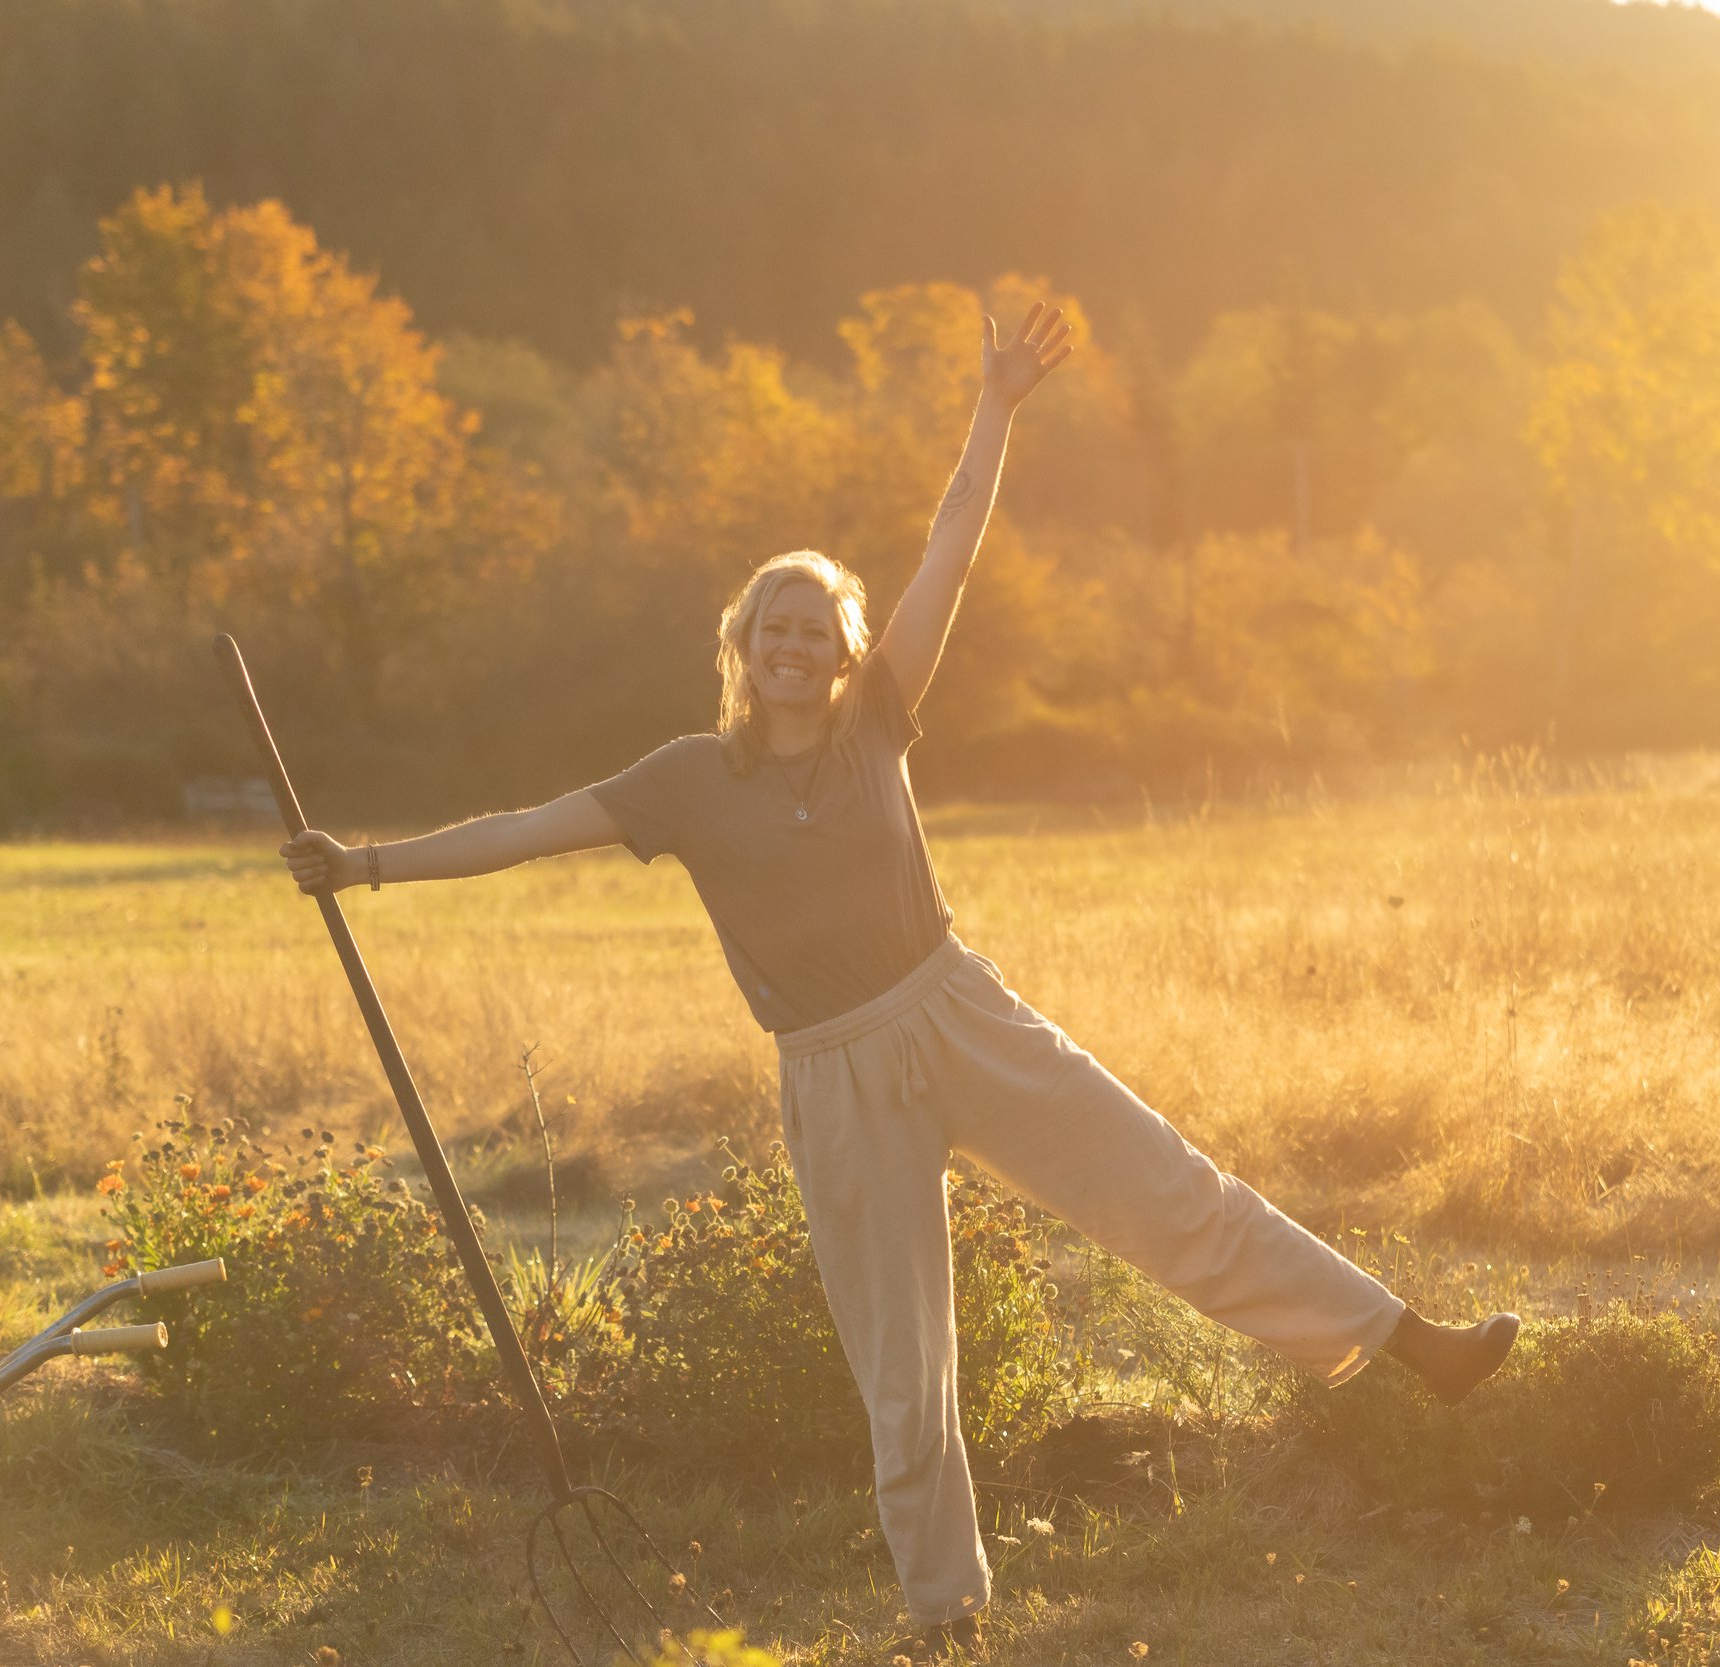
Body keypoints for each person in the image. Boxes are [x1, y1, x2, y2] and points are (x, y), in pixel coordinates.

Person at [280, 301, 1517, 1659]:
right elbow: (524, 830)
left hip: (956, 1010)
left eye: (818, 627)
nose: (796, 644)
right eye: (775, 626)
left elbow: (953, 542)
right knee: (902, 1365)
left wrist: (996, 403)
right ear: (741, 648)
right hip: (834, 1074)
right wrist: (366, 864)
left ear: (846, 648)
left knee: (1172, 1189)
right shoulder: (683, 781)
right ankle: (946, 1612)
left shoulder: (879, 717)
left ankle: (1413, 1344)